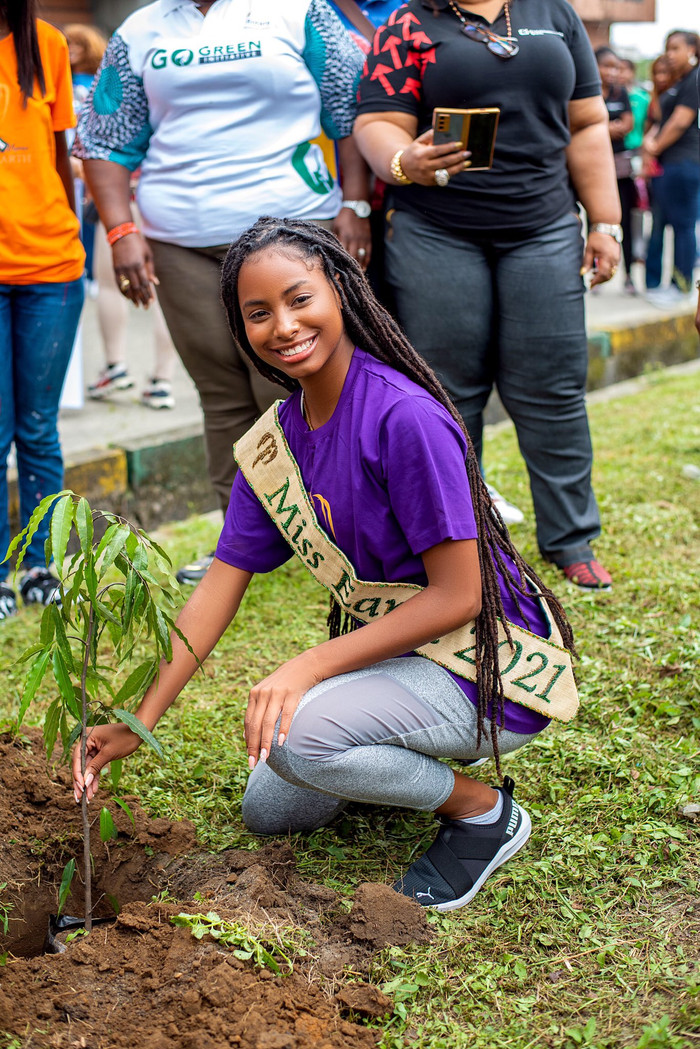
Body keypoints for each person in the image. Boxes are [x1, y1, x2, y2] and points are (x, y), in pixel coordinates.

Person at [72, 218, 578, 912]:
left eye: (298, 298)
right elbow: (218, 587)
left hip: (491, 670)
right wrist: (139, 719)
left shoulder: (403, 417)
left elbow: (459, 596)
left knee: (302, 739)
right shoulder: (275, 440)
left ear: (340, 289)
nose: (283, 325)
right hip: (409, 655)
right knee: (271, 807)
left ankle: (483, 812)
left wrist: (307, 665)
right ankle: (385, 761)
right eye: (258, 313)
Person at [73, 0, 369, 584]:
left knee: (297, 381)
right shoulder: (142, 27)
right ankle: (243, 541)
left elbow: (350, 107)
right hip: (181, 239)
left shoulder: (298, 10)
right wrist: (121, 228)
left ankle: (337, 535)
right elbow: (105, 138)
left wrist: (355, 203)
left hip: (290, 227)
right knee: (220, 390)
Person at [354, 0, 621, 590]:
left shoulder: (554, 13)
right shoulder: (408, 24)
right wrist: (405, 162)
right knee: (447, 393)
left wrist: (605, 220)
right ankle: (457, 544)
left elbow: (587, 123)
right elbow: (374, 122)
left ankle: (570, 538)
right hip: (435, 230)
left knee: (551, 384)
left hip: (545, 228)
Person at [0, 0, 85, 621]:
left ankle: (38, 565)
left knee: (37, 425)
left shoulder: (46, 43)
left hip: (50, 266)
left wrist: (74, 234)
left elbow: (59, 155)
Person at [643, 31, 700, 307]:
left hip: (684, 162)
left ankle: (682, 284)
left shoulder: (695, 78)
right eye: (667, 48)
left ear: (692, 49)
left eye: (676, 48)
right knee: (666, 225)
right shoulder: (679, 81)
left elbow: (680, 121)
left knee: (683, 227)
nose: (669, 53)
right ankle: (669, 283)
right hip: (669, 164)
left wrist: (654, 146)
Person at [596, 47, 635, 294]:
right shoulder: (587, 92)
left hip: (620, 168)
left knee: (626, 222)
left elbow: (628, 124)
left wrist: (600, 128)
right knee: (598, 221)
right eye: (607, 66)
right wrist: (607, 128)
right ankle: (597, 270)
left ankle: (629, 276)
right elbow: (585, 124)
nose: (613, 72)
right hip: (597, 168)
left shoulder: (622, 93)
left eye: (616, 67)